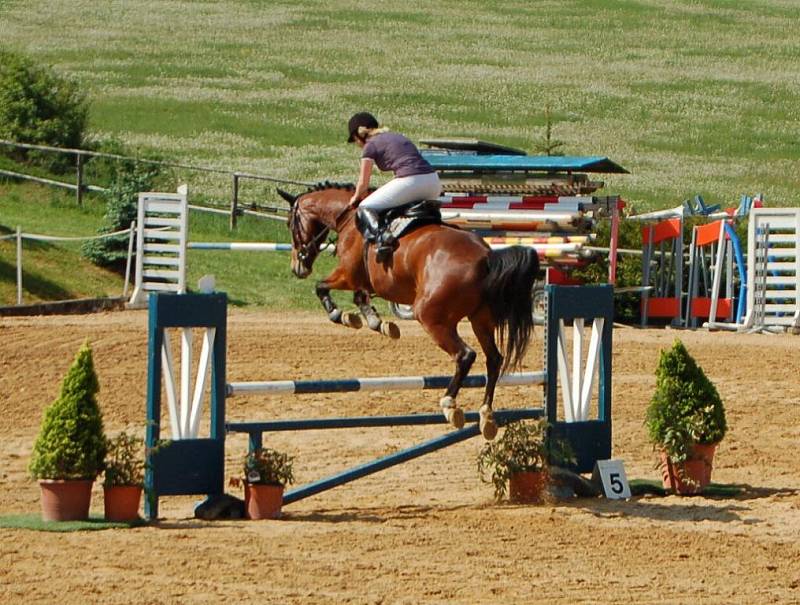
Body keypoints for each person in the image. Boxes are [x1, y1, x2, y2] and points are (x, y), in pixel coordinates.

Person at [346, 112, 441, 260]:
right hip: (434, 182)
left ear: (359, 134)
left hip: (412, 182)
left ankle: (383, 239)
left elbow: (363, 184)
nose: (356, 144)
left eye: (354, 140)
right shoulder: (397, 136)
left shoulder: (370, 145)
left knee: (365, 207)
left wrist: (355, 198)